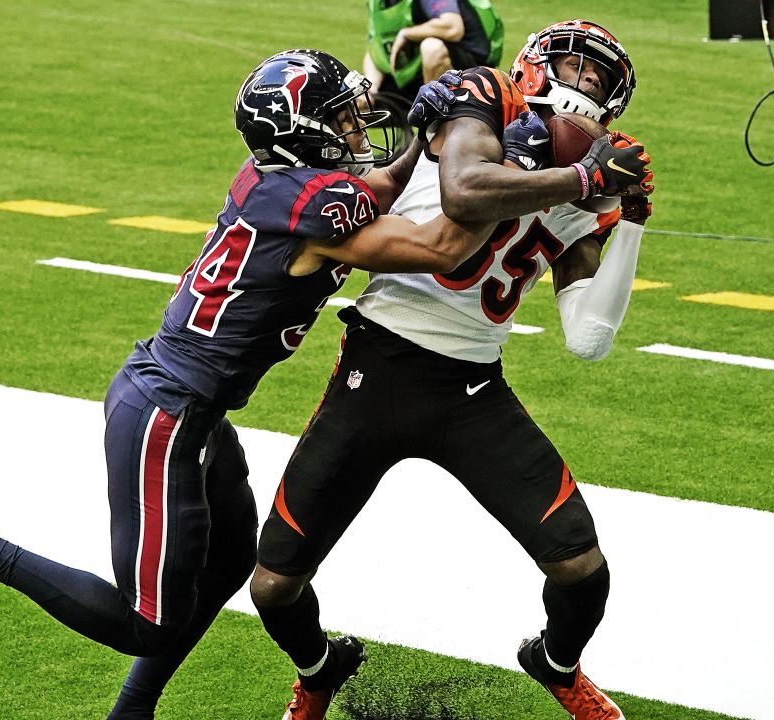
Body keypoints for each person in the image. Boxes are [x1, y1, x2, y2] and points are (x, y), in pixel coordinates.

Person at [0, 48, 614, 720]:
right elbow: (442, 244)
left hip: (197, 411)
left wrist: (433, 134)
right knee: (146, 621)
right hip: (165, 413)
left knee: (236, 559)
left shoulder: (284, 185)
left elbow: (375, 193)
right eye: (338, 118)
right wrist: (578, 179)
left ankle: (132, 712)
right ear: (301, 133)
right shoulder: (313, 210)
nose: (355, 128)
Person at [250, 20, 651, 720]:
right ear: (534, 67)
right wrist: (584, 176)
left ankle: (555, 664)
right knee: (273, 586)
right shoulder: (482, 98)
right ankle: (319, 673)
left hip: (473, 389)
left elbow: (588, 338)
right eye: (574, 68)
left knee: (582, 570)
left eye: (598, 79)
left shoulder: (590, 192)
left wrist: (632, 215)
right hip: (379, 365)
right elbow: (465, 192)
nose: (583, 85)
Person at [363, 0, 502, 98]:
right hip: (420, 74)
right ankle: (417, 132)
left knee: (431, 47)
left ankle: (434, 123)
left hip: (469, 71)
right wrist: (371, 87)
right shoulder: (377, 3)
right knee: (359, 100)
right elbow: (377, 47)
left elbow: (453, 27)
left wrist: (406, 34)